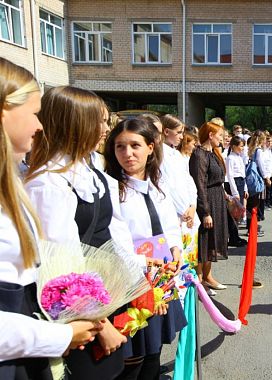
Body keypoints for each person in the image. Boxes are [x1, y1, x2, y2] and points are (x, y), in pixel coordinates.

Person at [0, 57, 102, 379]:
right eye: (33, 113)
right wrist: (62, 333)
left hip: (25, 342)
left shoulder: (14, 180)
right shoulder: (45, 182)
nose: (39, 125)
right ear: (4, 110)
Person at [26, 86, 136, 379]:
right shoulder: (49, 183)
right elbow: (60, 270)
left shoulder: (88, 170)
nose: (105, 129)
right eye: (98, 121)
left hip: (101, 300)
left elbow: (109, 233)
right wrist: (102, 325)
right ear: (73, 124)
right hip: (79, 314)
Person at [103, 118, 187, 380]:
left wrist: (175, 248)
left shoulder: (157, 186)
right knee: (132, 361)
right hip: (132, 284)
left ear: (151, 147)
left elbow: (169, 226)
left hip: (161, 280)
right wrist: (147, 281)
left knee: (154, 353)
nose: (127, 154)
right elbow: (117, 243)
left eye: (135, 145)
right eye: (120, 147)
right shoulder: (111, 189)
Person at [189, 122, 229, 295]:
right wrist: (205, 211)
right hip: (207, 201)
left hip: (217, 198)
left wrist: (227, 197)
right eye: (219, 135)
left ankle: (208, 276)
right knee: (204, 241)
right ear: (211, 135)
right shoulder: (199, 154)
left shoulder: (214, 153)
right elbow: (199, 184)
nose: (222, 138)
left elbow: (219, 178)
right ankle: (199, 280)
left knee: (213, 239)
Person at [225, 136, 248, 247]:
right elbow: (230, 176)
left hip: (241, 182)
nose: (242, 148)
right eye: (241, 146)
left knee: (238, 212)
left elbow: (243, 174)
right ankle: (233, 237)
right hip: (234, 184)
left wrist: (245, 188)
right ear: (234, 146)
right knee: (234, 213)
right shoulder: (230, 158)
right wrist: (235, 193)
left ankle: (236, 235)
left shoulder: (239, 157)